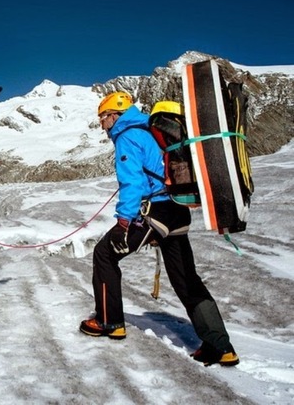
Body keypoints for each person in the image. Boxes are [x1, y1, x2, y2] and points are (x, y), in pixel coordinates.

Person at [79, 91, 239, 367]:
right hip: (177, 211)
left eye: (102, 119)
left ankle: (109, 321)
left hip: (154, 212)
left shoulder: (128, 136)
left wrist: (123, 223)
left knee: (105, 253)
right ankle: (220, 346)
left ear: (113, 115)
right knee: (186, 279)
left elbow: (133, 184)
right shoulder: (150, 130)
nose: (102, 125)